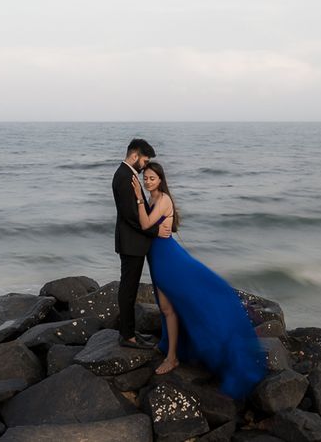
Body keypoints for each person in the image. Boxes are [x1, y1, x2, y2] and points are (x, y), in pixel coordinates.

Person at [131, 161, 267, 399]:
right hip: (157, 257)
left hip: (168, 258)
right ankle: (171, 347)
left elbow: (145, 224)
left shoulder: (162, 200)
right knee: (167, 307)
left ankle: (172, 357)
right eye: (145, 178)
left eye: (152, 178)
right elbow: (149, 228)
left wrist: (137, 197)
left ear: (160, 180)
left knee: (173, 306)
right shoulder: (153, 199)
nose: (148, 181)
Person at [113, 138, 172, 349]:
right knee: (128, 289)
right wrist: (156, 230)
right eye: (145, 160)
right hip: (131, 243)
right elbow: (131, 217)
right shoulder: (124, 177)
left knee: (130, 288)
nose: (145, 165)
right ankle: (127, 336)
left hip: (133, 242)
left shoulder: (127, 174)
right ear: (135, 155)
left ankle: (129, 331)